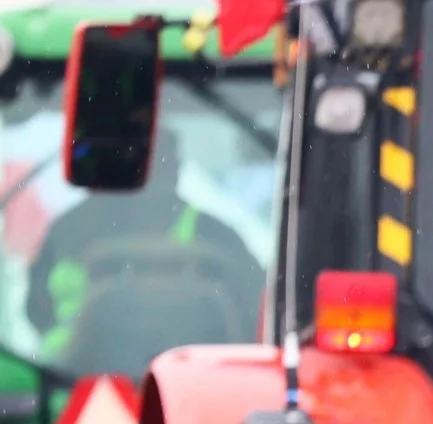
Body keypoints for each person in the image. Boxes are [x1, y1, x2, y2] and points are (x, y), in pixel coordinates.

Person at [26, 139, 259, 365]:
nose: (165, 169)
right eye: (154, 160)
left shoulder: (68, 230)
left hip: (192, 387)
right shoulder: (66, 231)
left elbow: (255, 319)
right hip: (67, 386)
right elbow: (37, 312)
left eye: (165, 160)